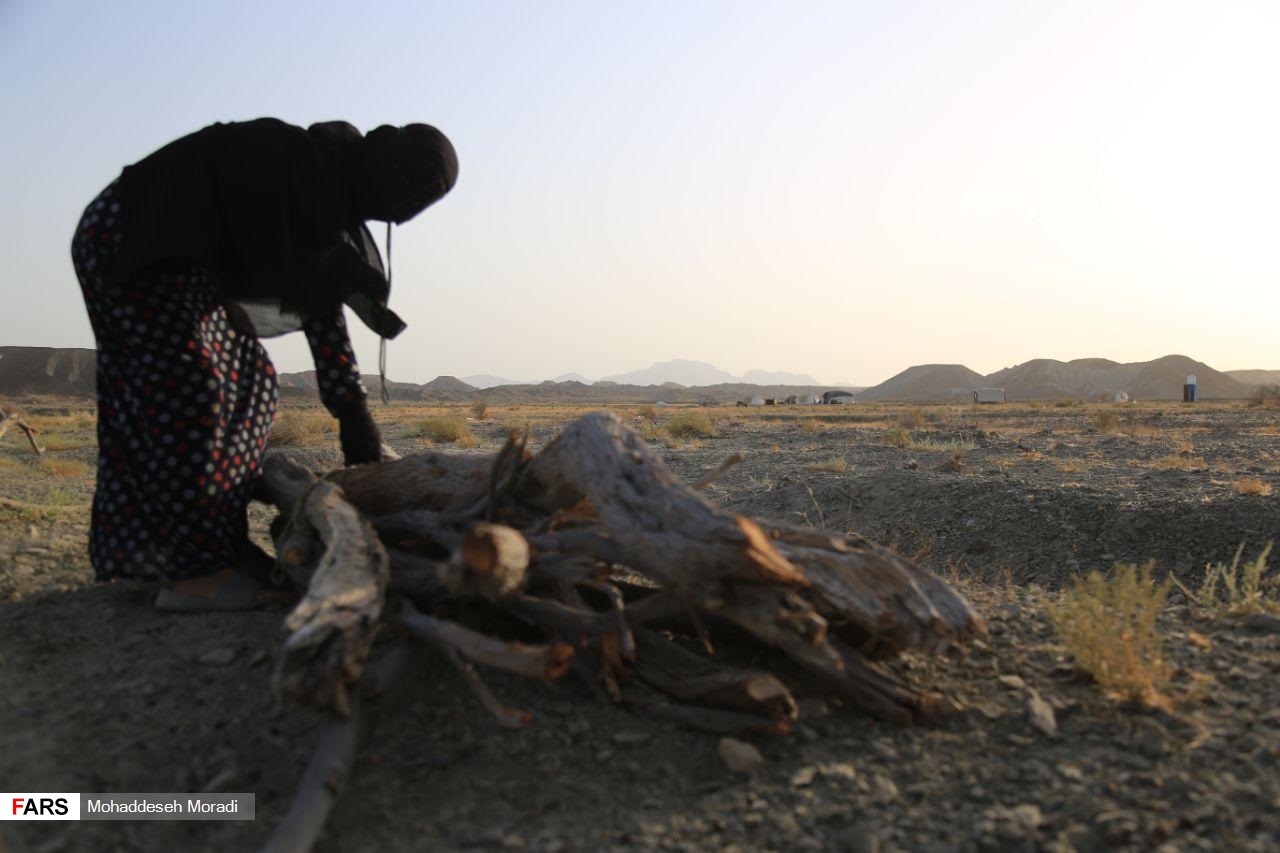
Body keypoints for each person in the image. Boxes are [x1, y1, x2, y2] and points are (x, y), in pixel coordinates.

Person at [71, 118, 458, 610]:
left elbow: (319, 297)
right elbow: (321, 309)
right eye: (406, 190)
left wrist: (351, 410)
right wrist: (352, 411)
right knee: (192, 392)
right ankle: (194, 573)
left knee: (251, 383)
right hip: (131, 238)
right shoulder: (307, 172)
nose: (402, 210)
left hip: (180, 260)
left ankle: (219, 547)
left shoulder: (325, 184)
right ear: (385, 165)